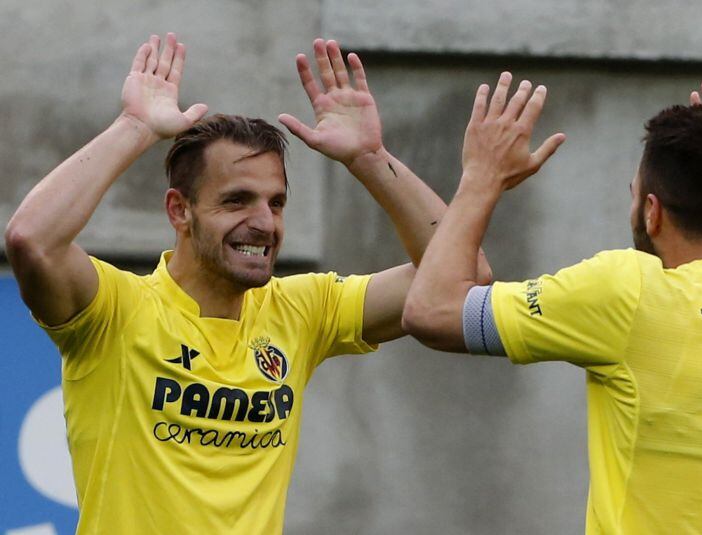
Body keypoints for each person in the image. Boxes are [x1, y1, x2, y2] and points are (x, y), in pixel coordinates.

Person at [4, 34, 492, 533]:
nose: (264, 222)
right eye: (237, 200)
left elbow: (461, 276)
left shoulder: (303, 310)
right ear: (180, 210)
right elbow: (31, 239)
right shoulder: (115, 311)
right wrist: (134, 126)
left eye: (275, 203)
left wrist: (368, 157)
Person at [402, 74, 702, 533]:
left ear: (653, 212)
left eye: (633, 196)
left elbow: (430, 309)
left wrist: (482, 176)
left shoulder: (631, 291)